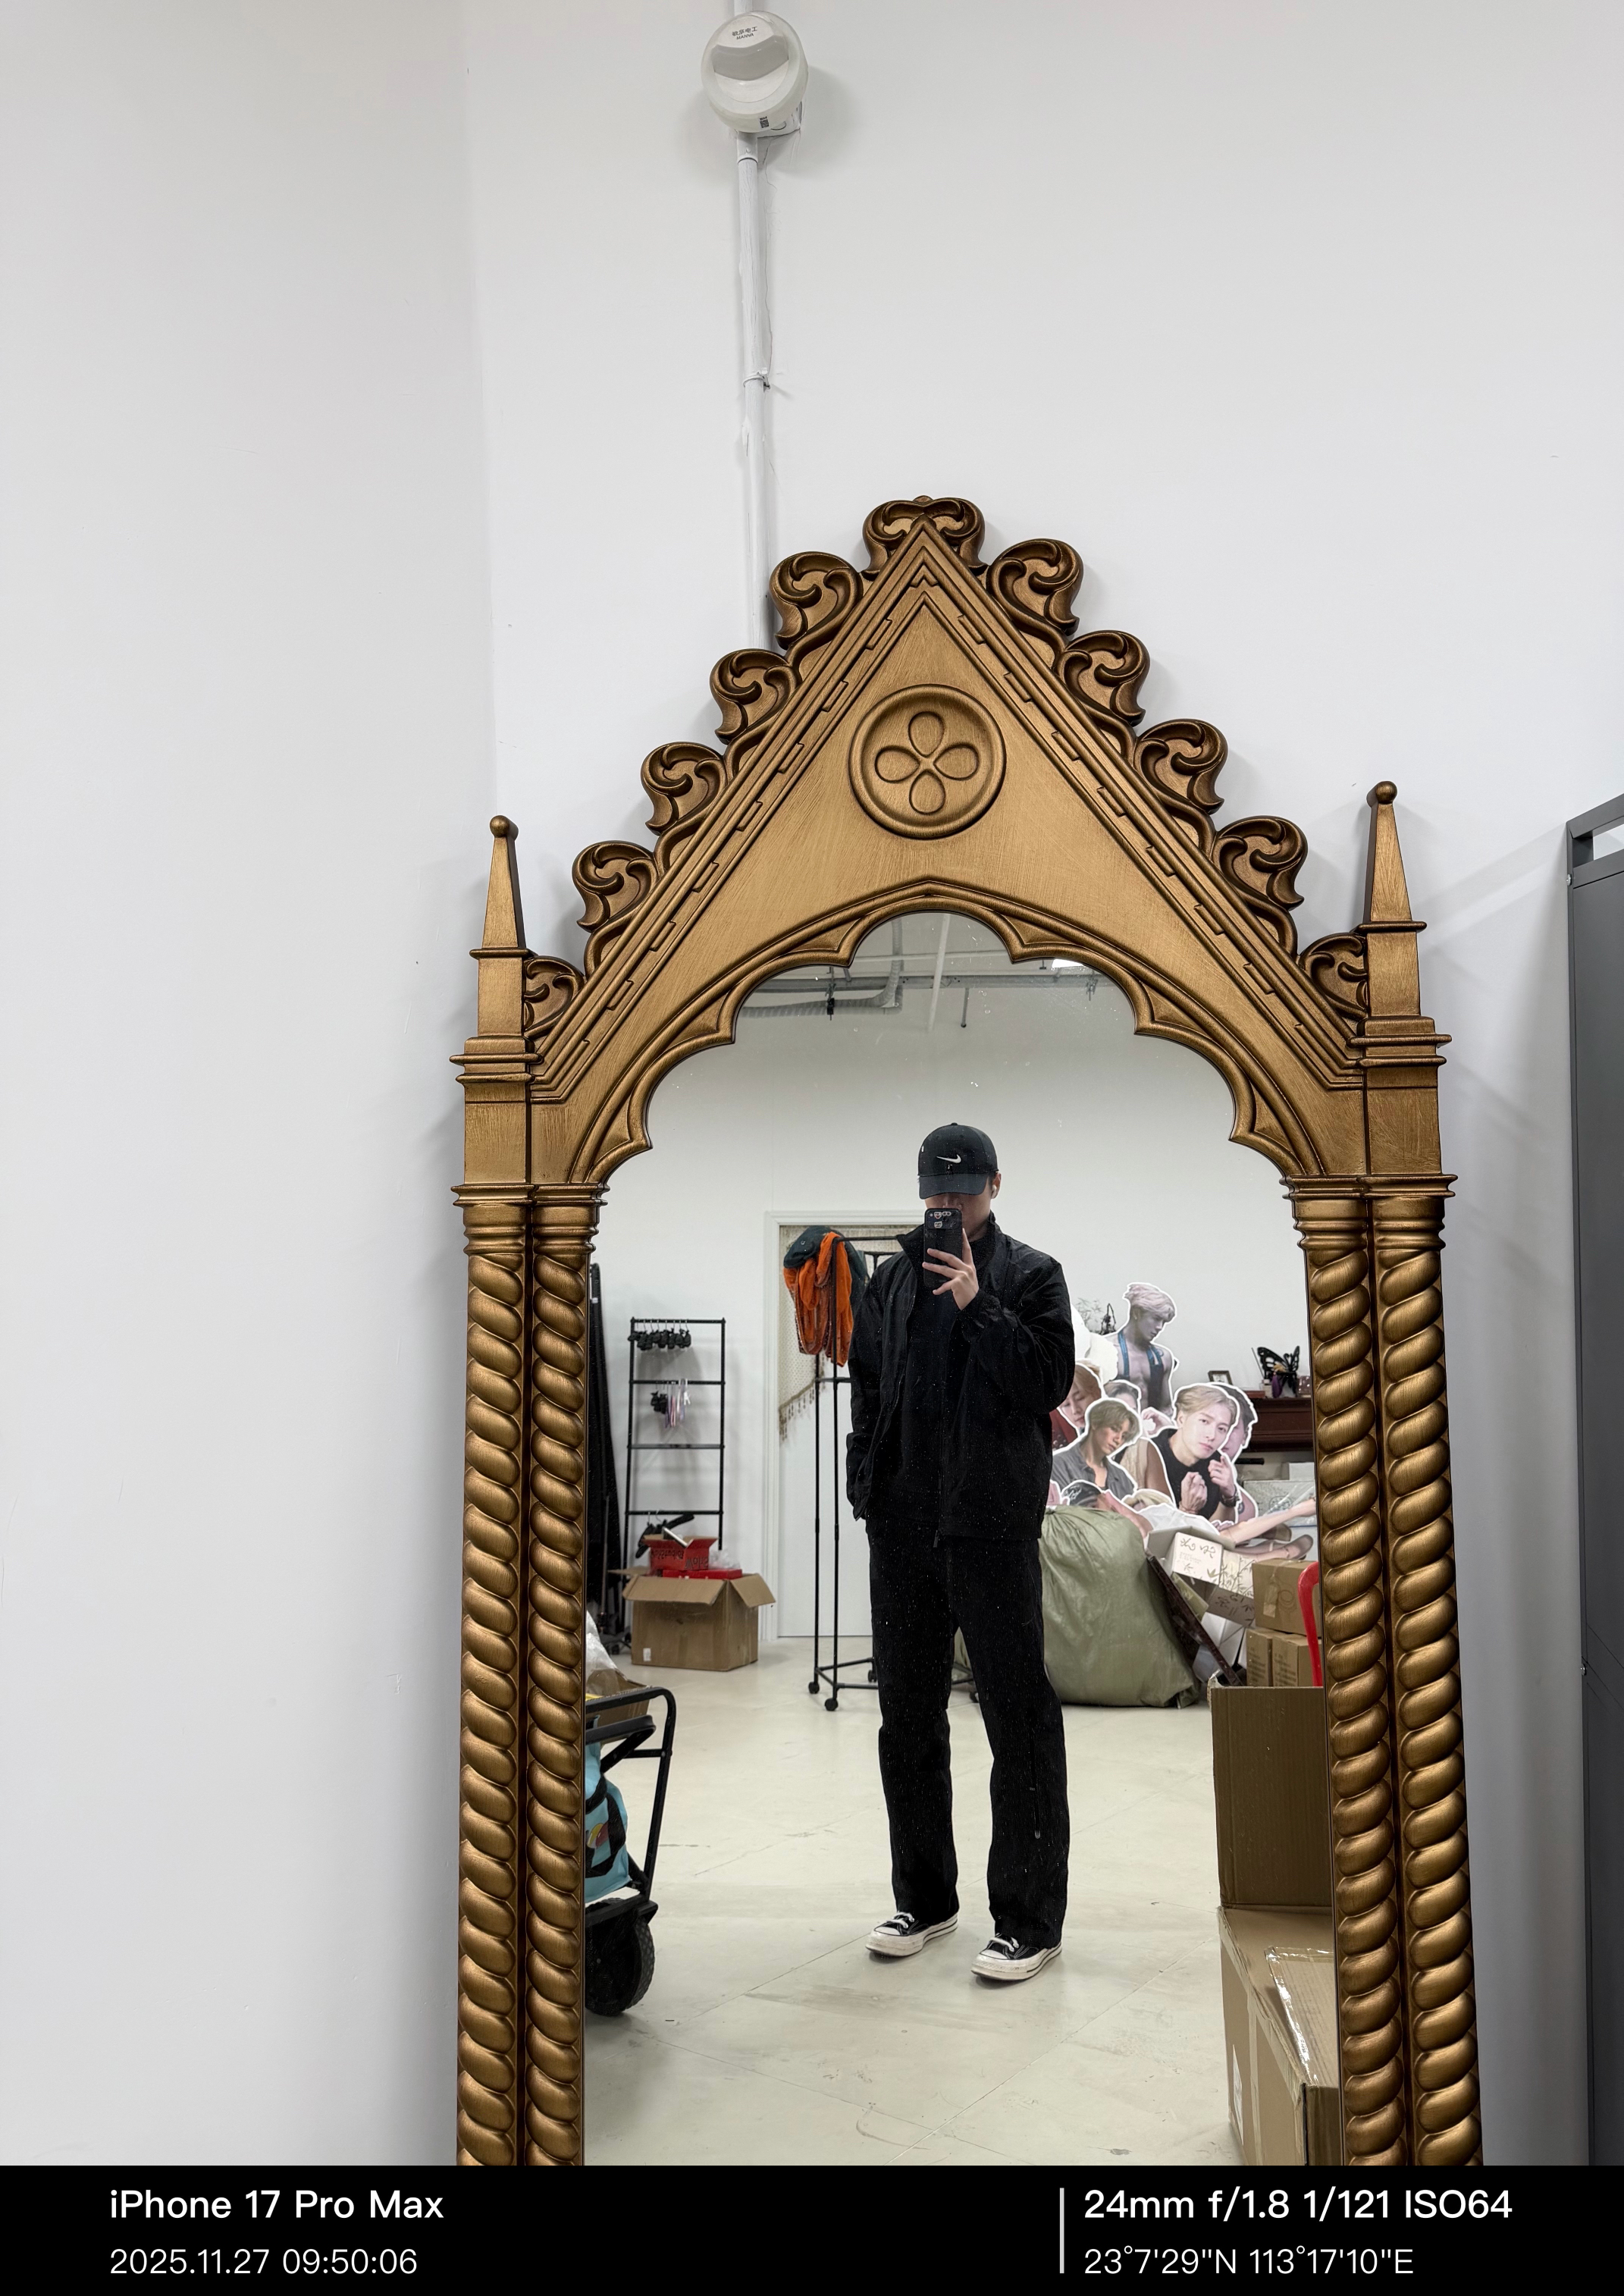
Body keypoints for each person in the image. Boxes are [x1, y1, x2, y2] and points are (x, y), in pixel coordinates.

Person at [847, 1121, 1075, 1984]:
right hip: (903, 1527)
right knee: (905, 1716)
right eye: (936, 1193)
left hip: (992, 1527)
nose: (948, 1205)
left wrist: (980, 1304)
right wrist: (864, 1479)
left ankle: (1029, 1920)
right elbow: (869, 1384)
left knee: (1018, 1718)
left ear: (995, 1186)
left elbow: (1046, 1383)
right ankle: (925, 1899)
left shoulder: (1034, 1275)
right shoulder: (891, 1279)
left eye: (964, 1191)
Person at [1082, 1282, 1178, 1415]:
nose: (1160, 1327)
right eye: (1156, 1319)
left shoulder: (1163, 1358)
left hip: (1151, 1426)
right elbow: (1087, 1403)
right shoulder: (1103, 1349)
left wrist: (1163, 1424)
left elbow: (1166, 1408)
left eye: (1164, 1322)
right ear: (1137, 1313)